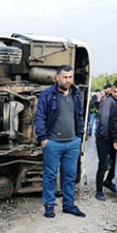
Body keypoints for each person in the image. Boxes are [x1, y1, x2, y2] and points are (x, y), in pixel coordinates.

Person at [34, 64, 86, 218]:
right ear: (57, 77)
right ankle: (49, 206)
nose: (68, 80)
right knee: (50, 175)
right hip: (53, 143)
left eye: (70, 77)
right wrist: (43, 139)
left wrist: (79, 136)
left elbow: (80, 116)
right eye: (65, 77)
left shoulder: (76, 94)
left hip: (72, 143)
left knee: (69, 175)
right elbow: (39, 117)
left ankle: (68, 205)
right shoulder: (48, 95)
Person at [94, 80, 117, 200]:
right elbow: (104, 120)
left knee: (116, 162)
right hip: (104, 137)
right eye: (115, 91)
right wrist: (106, 136)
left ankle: (108, 181)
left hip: (114, 138)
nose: (116, 94)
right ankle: (99, 190)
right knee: (103, 164)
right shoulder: (108, 101)